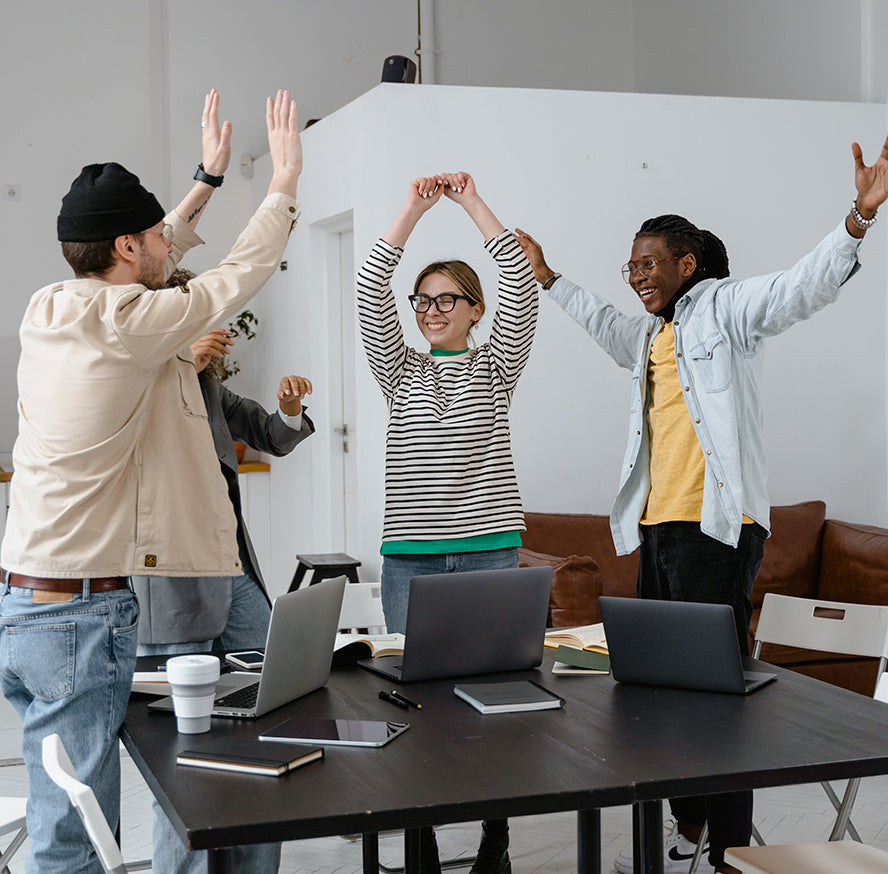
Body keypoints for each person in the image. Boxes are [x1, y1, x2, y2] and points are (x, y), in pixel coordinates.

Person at [514, 134, 888, 874]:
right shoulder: (651, 332)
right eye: (630, 266)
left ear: (686, 265)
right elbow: (603, 325)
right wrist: (550, 277)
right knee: (661, 691)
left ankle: (729, 850)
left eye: (647, 264)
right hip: (659, 528)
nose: (635, 277)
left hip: (715, 529)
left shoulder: (725, 310)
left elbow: (799, 288)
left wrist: (857, 218)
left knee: (718, 698)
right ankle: (686, 831)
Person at [0, 88, 303, 873]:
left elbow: (159, 242)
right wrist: (283, 183)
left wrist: (206, 176)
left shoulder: (50, 307)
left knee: (66, 815)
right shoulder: (131, 324)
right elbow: (240, 273)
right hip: (80, 616)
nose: (168, 246)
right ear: (128, 250)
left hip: (28, 603)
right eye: (152, 240)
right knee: (72, 840)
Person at [356, 172, 537, 874]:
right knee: (414, 708)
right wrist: (411, 211)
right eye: (423, 300)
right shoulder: (400, 372)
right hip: (413, 562)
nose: (431, 311)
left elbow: (519, 281)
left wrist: (468, 204)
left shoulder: (497, 366)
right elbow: (373, 293)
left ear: (475, 309)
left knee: (494, 703)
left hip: (490, 556)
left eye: (446, 299)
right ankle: (422, 846)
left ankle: (497, 837)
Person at [132, 299, 314, 874]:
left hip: (234, 575)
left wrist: (288, 409)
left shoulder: (211, 387)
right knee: (184, 759)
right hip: (173, 587)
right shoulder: (134, 380)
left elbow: (270, 433)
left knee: (271, 721)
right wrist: (177, 360)